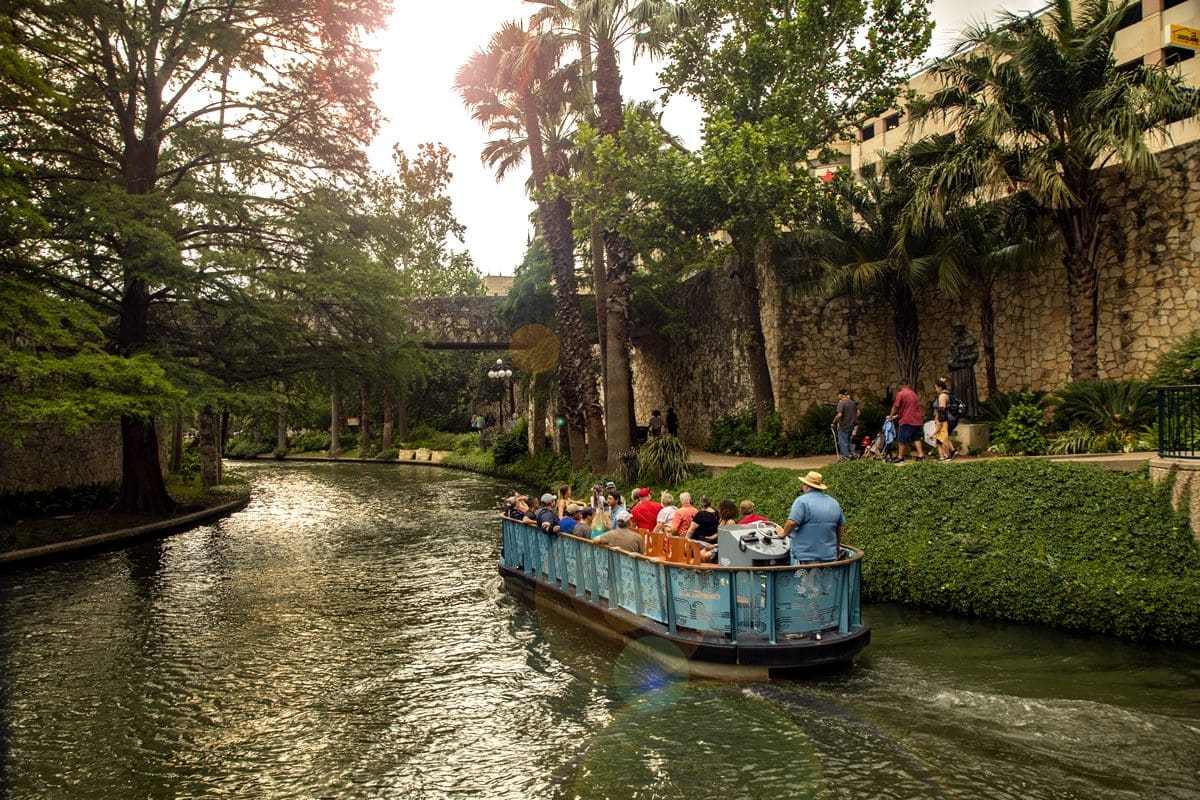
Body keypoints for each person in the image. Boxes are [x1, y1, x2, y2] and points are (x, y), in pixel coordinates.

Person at [782, 471, 845, 564]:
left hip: (807, 556)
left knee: (807, 574)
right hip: (829, 555)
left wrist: (783, 534)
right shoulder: (833, 502)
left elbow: (792, 522)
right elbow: (841, 526)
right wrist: (837, 546)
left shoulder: (801, 501)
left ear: (806, 486)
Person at [887, 378, 927, 462]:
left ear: (900, 386)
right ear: (908, 385)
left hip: (907, 420)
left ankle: (900, 457)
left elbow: (896, 406)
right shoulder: (914, 394)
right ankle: (921, 455)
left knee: (901, 439)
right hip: (917, 420)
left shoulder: (901, 394)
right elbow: (908, 408)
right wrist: (896, 416)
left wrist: (891, 415)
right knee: (916, 438)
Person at [933, 378, 959, 462]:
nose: (935, 390)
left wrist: (938, 420)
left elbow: (942, 409)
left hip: (946, 419)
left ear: (940, 387)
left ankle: (947, 455)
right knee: (945, 437)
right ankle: (953, 451)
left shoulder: (942, 396)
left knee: (943, 438)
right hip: (952, 418)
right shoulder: (949, 394)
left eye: (936, 387)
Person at [832, 388, 858, 461]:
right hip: (851, 425)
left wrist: (834, 422)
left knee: (843, 442)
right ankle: (853, 454)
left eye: (838, 394)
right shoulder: (852, 403)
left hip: (843, 426)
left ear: (841, 395)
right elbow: (857, 412)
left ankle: (845, 457)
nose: (837, 396)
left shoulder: (841, 403)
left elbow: (839, 415)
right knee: (849, 441)